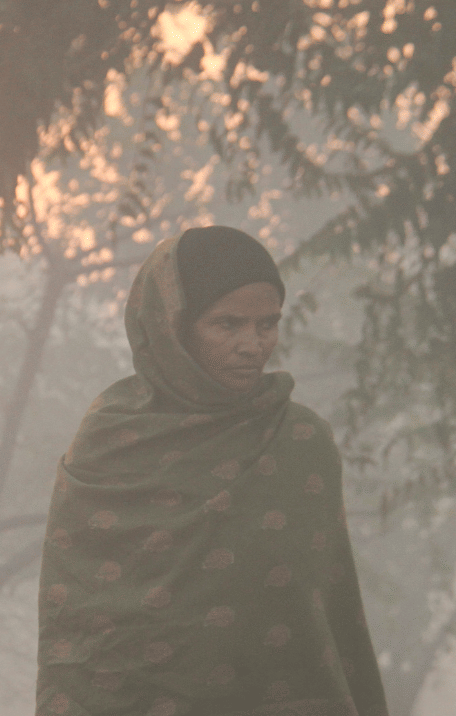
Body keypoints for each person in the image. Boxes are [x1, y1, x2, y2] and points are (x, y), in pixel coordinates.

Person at [36, 227, 388, 716]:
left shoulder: (301, 441)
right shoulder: (111, 442)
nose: (253, 345)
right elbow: (80, 621)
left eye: (268, 324)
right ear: (173, 326)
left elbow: (327, 613)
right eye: (227, 324)